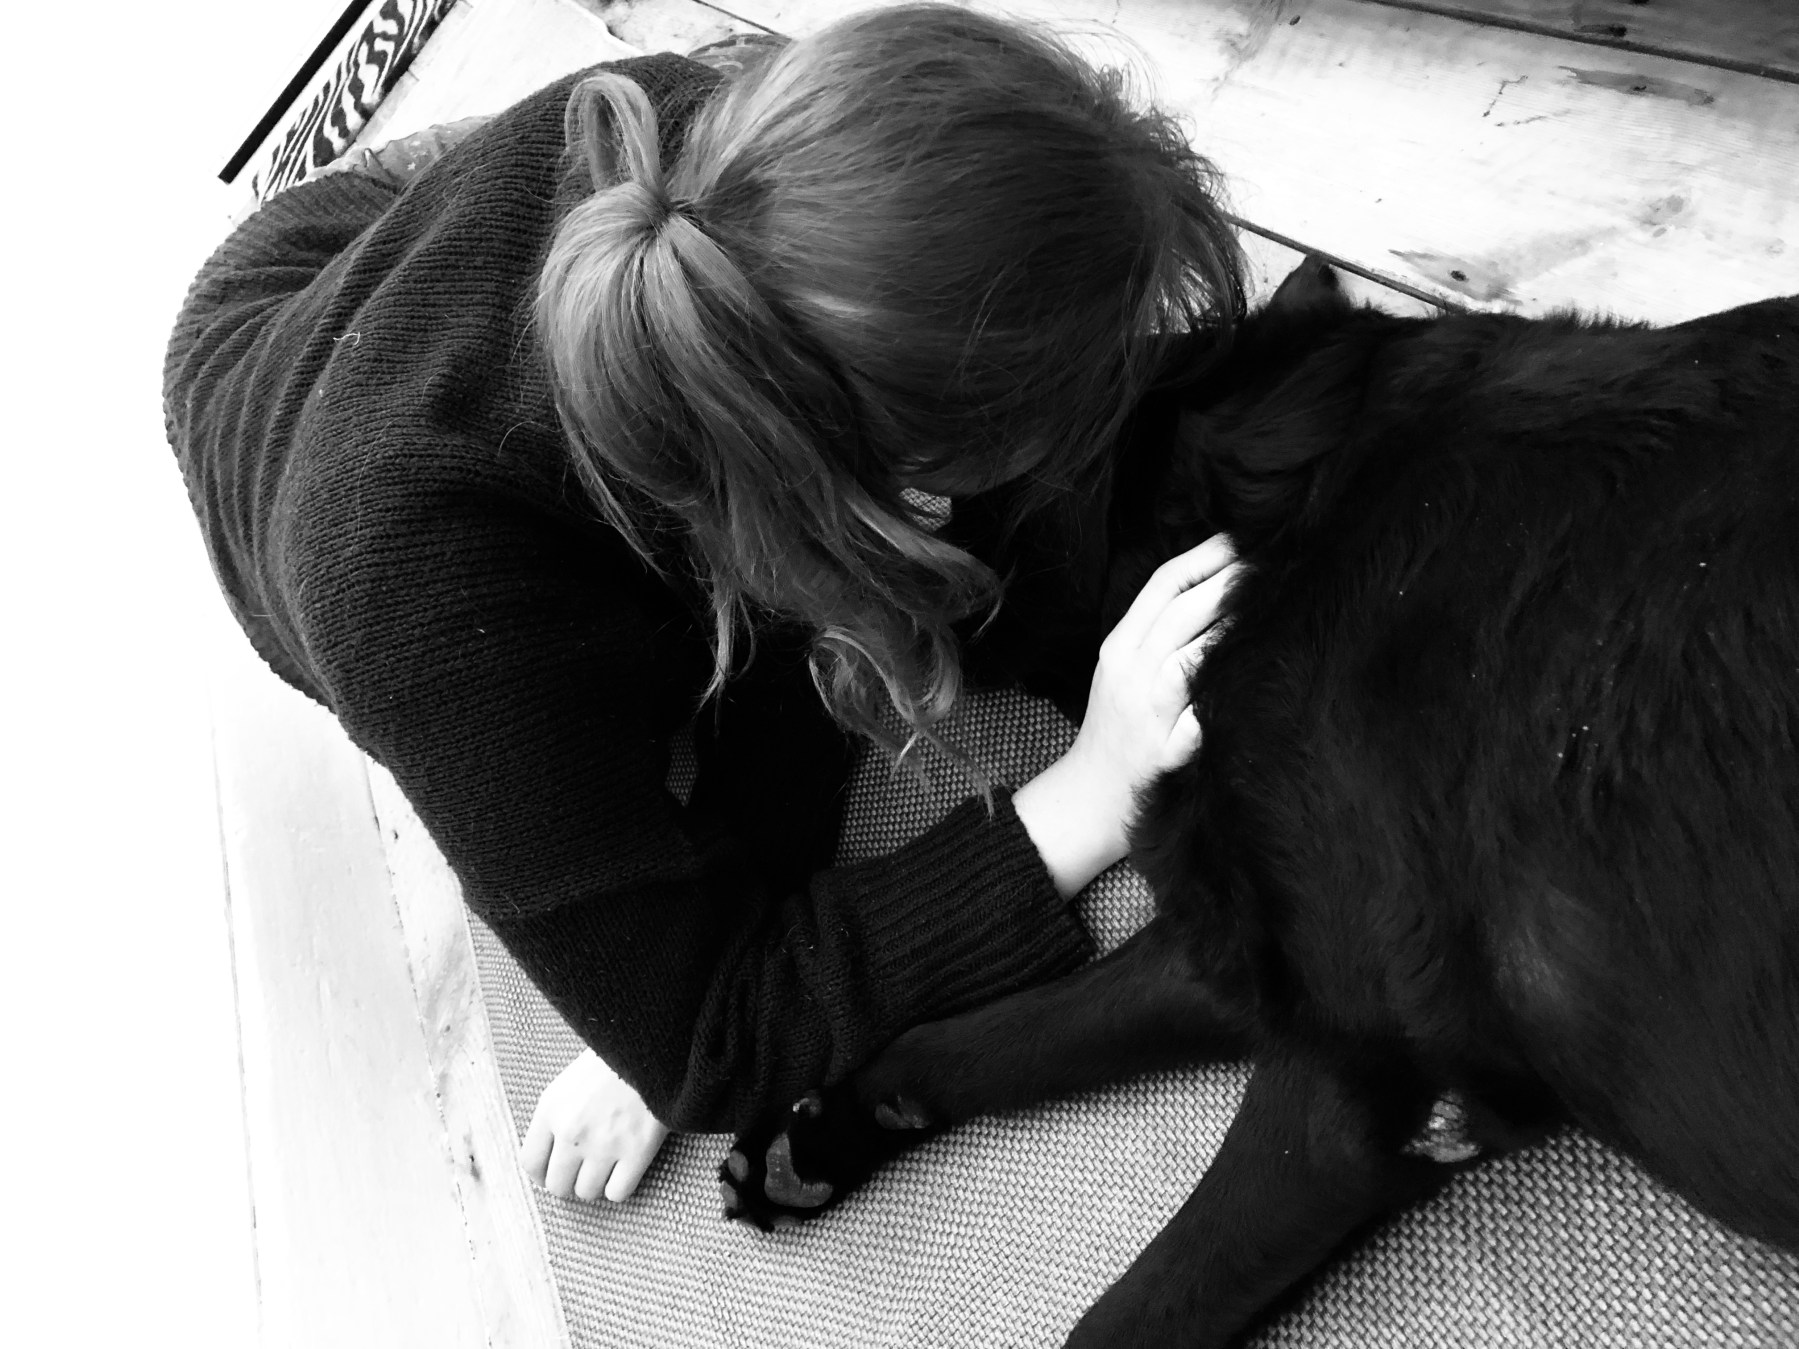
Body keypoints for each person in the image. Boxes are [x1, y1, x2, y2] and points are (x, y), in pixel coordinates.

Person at [164, 3, 1245, 1207]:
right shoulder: (420, 609)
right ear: (864, 482)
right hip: (277, 366)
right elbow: (717, 1038)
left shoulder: (707, 139)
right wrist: (1089, 791)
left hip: (383, 243)